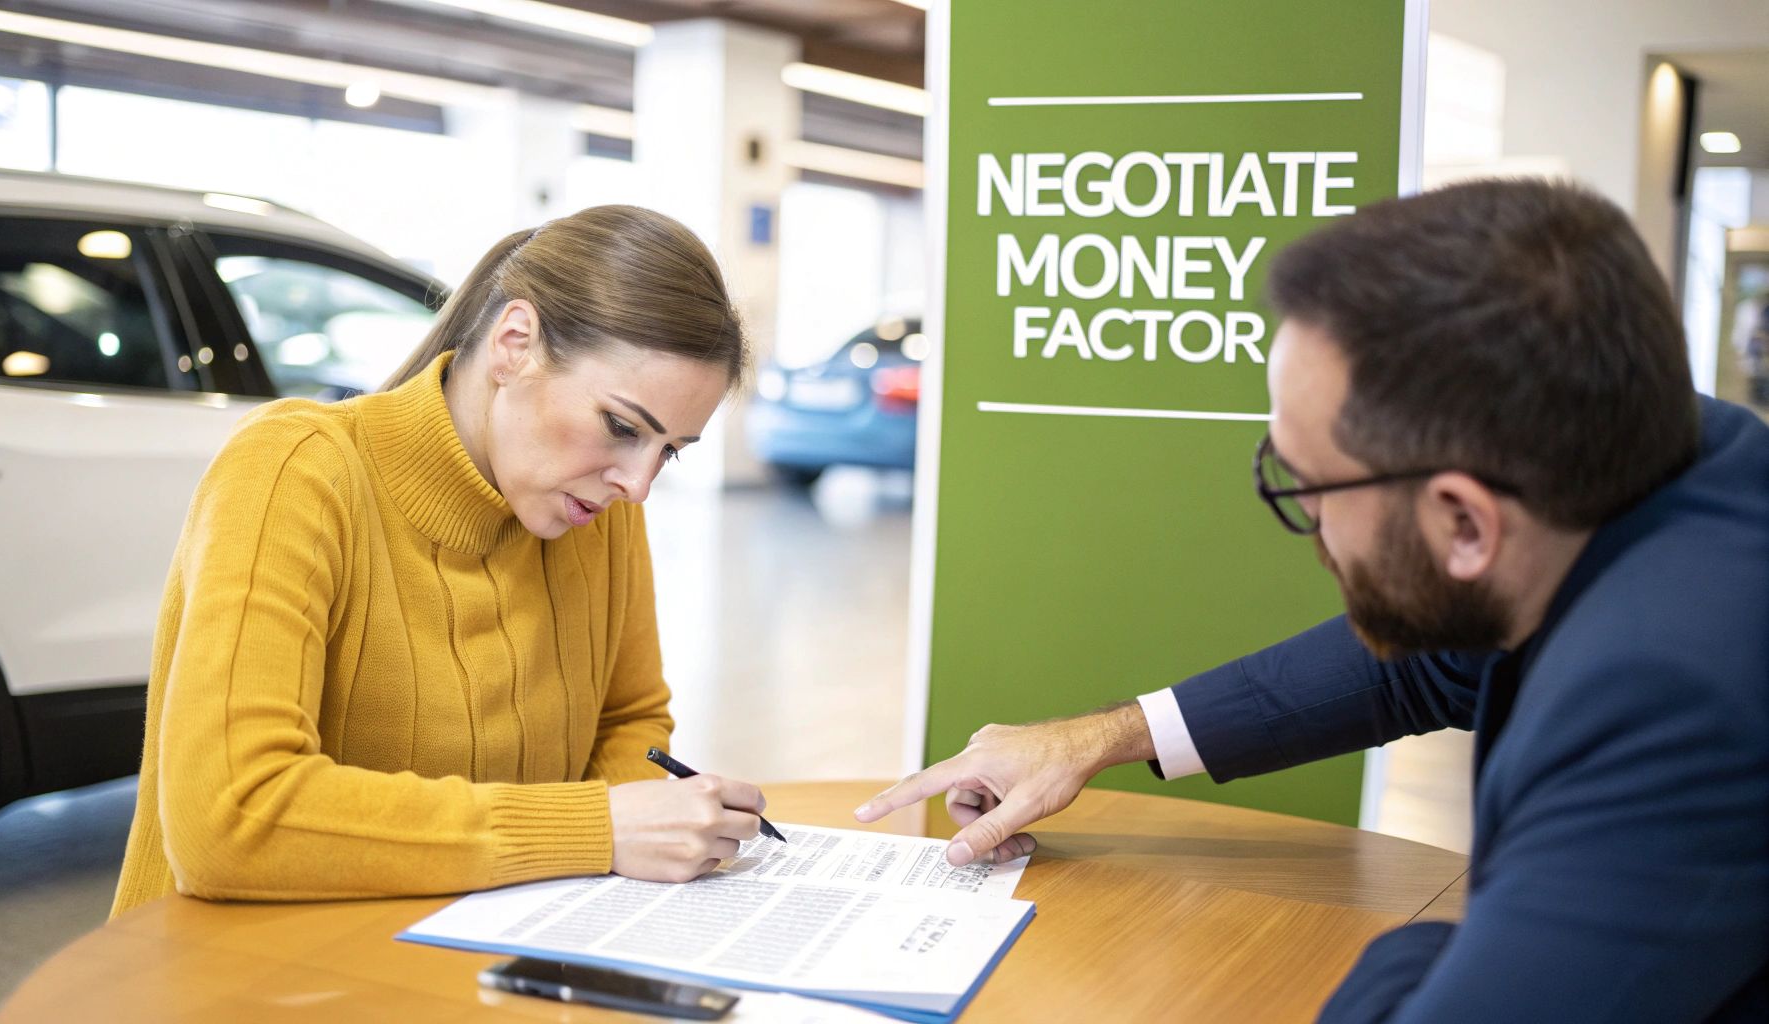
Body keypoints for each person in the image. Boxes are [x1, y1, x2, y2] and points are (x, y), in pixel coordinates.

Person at [857, 180, 1768, 1021]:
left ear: (1464, 521)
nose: (1311, 527)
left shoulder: (1671, 695)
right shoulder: (1669, 455)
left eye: (1310, 487)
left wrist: (1420, 952)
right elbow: (1426, 667)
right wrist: (1104, 736)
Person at [113, 206, 768, 917]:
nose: (638, 485)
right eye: (620, 427)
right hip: (236, 977)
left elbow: (629, 722)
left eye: (668, 450)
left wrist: (622, 850)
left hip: (454, 954)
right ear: (514, 343)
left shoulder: (592, 502)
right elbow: (231, 818)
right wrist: (597, 830)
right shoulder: (295, 471)